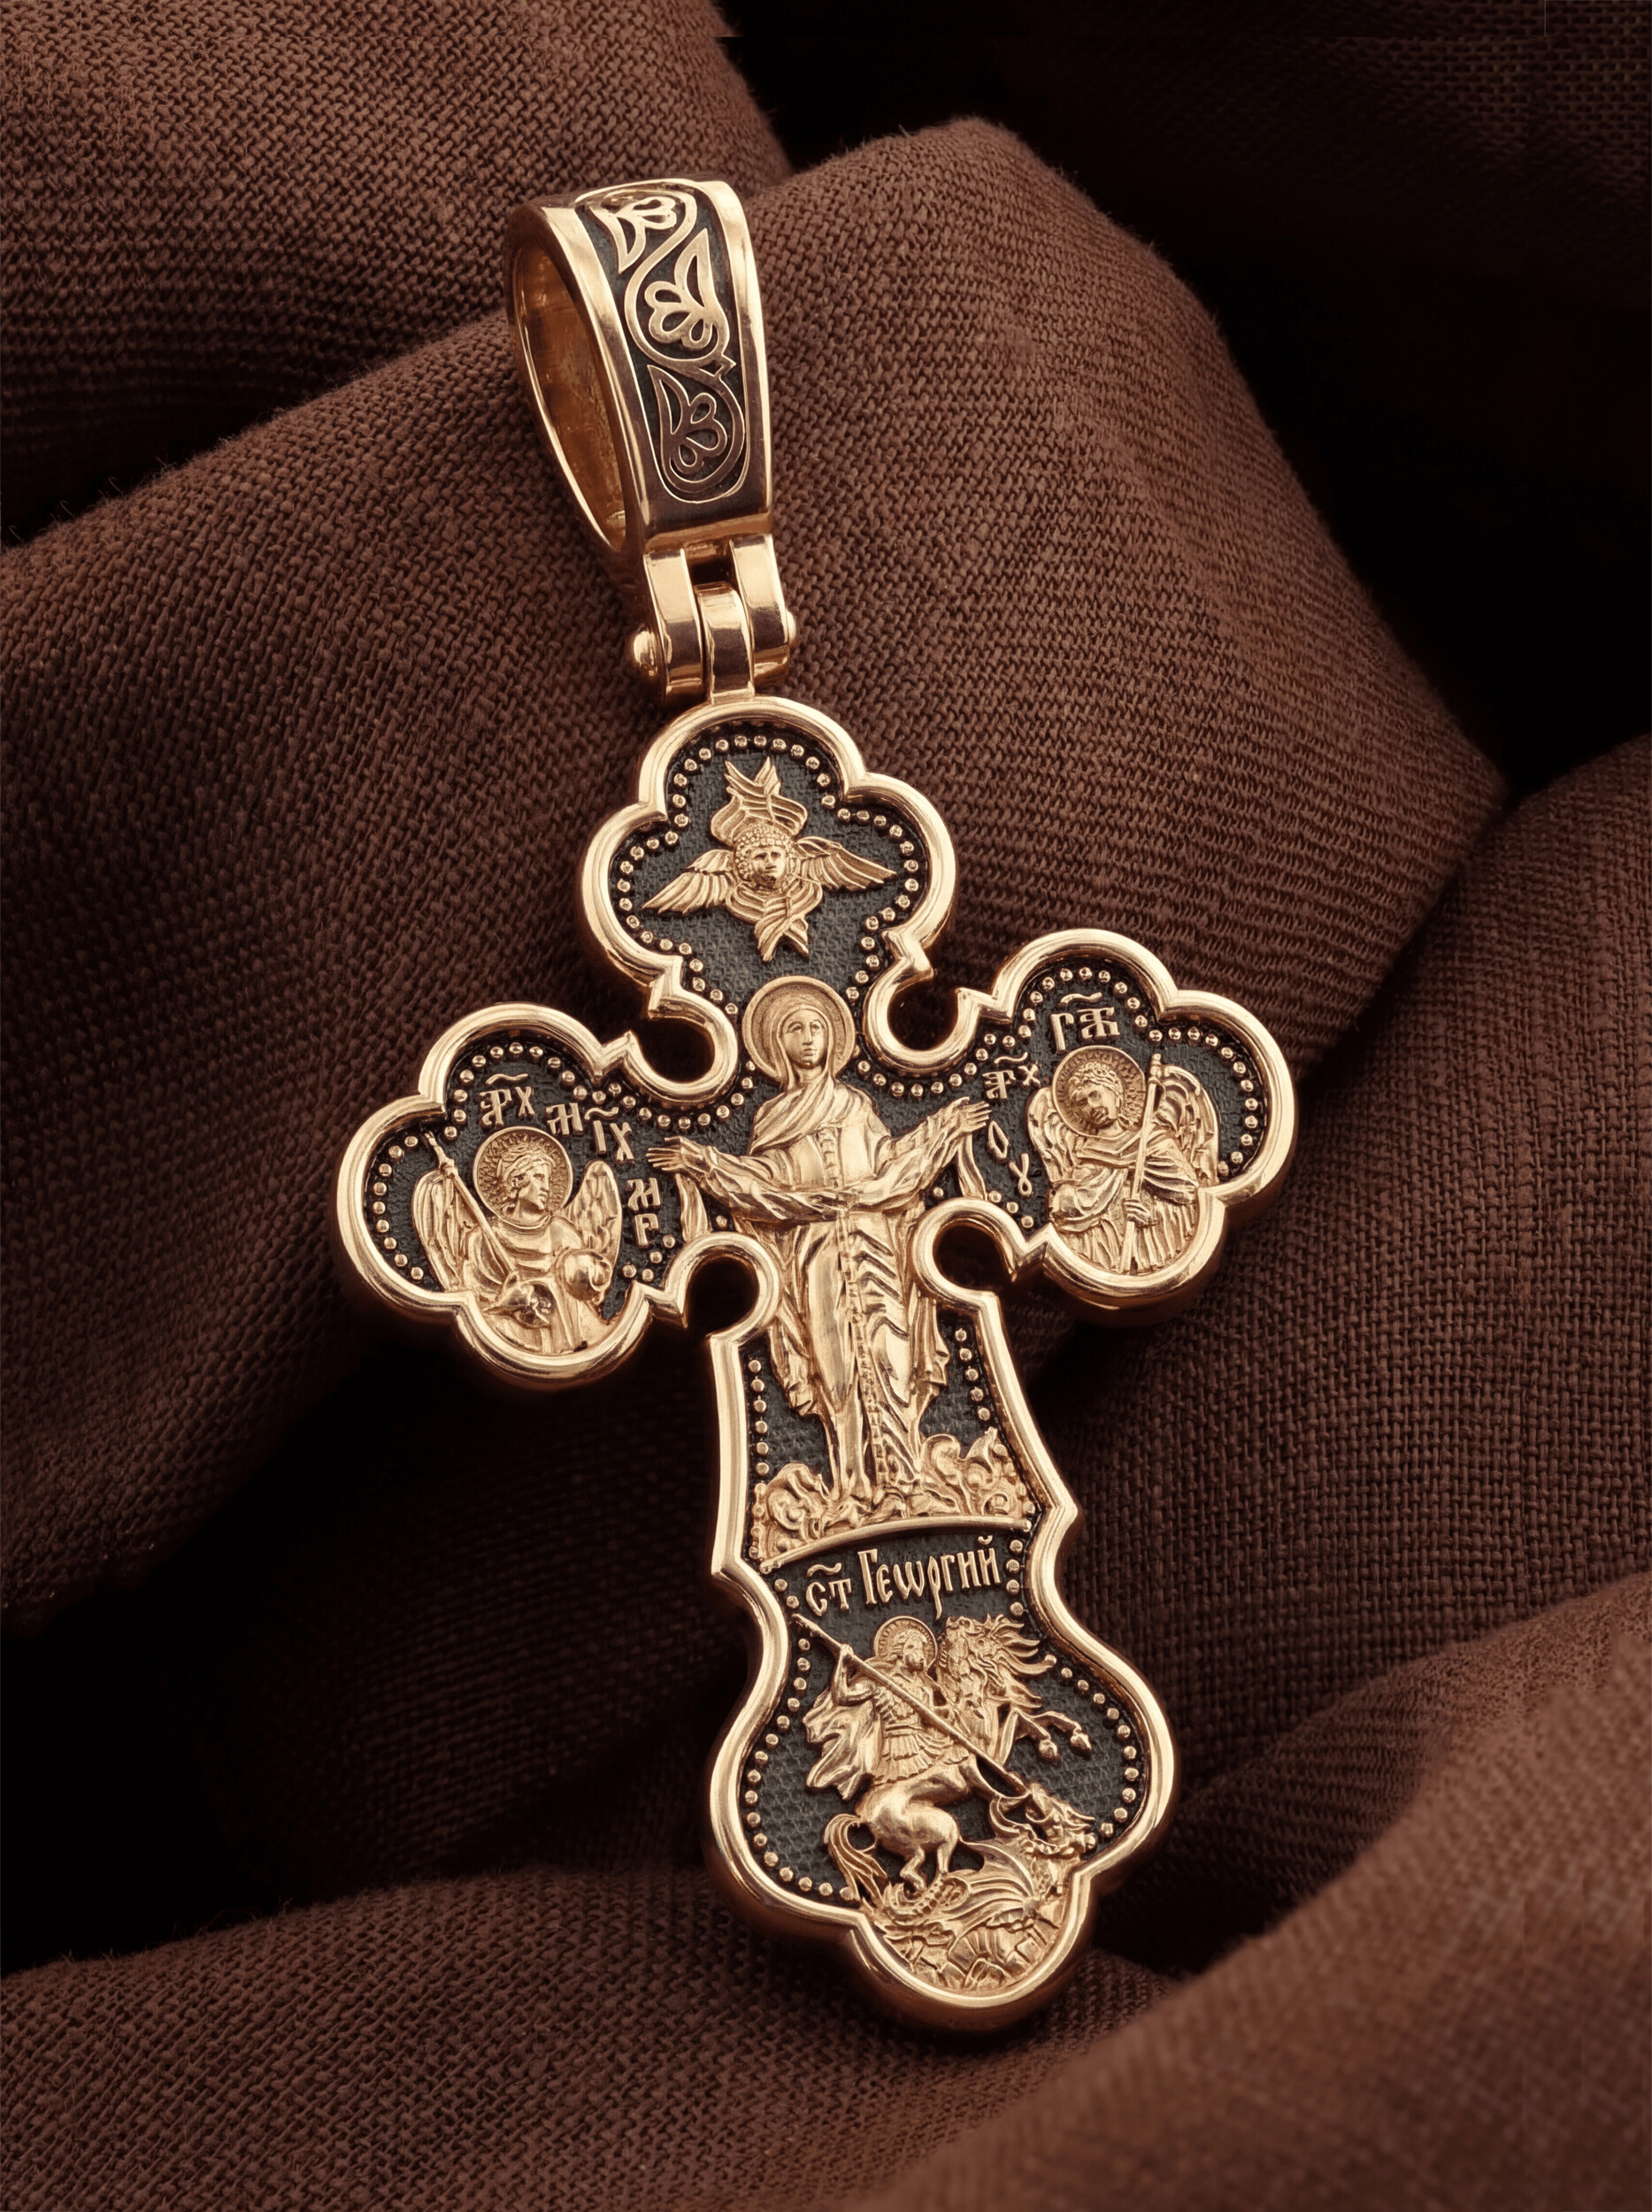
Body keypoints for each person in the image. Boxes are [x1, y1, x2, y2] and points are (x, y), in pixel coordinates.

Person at [648, 977, 987, 1511]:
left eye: (816, 1029)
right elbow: (762, 1188)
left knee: (891, 1354)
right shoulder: (773, 1117)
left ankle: (909, 1480)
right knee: (837, 1367)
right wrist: (704, 1163)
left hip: (875, 1244)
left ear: (832, 1039)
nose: (808, 1040)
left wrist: (943, 1130)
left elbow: (889, 1166)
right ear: (777, 1044)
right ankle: (852, 1486)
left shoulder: (854, 1103)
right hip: (816, 1254)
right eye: (795, 1030)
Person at [412, 1126, 621, 1356]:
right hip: (509, 1333)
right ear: (517, 1181)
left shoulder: (562, 1231)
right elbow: (474, 1300)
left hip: (570, 1328)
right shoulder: (482, 1239)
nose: (547, 1187)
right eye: (539, 1177)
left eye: (548, 1179)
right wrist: (507, 1302)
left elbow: (585, 1290)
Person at [1028, 1047, 1216, 1274]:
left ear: (1116, 1091)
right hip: (1106, 1258)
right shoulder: (1086, 1158)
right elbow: (1075, 1218)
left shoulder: (1152, 1138)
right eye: (1082, 1104)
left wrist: (1152, 1216)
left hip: (1159, 1250)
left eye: (1095, 1095)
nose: (1092, 1107)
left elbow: (1188, 1192)